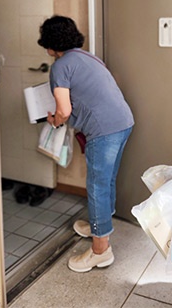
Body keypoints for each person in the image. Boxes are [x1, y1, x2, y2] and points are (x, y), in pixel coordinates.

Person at [37, 15, 134, 273]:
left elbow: (64, 111)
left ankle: (101, 251)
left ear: (50, 42)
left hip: (104, 130)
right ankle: (99, 227)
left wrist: (54, 120)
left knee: (97, 186)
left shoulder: (60, 67)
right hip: (124, 121)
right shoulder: (88, 57)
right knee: (107, 180)